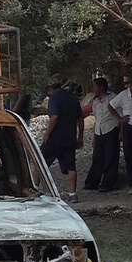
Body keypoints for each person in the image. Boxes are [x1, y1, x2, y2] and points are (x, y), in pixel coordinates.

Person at [42, 74, 84, 203]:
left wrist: (47, 134)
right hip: (70, 138)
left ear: (50, 89)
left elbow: (54, 117)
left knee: (39, 163)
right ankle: (72, 194)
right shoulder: (73, 98)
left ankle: (34, 190)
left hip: (55, 138)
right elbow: (80, 119)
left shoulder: (54, 98)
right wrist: (80, 137)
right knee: (71, 167)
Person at [84, 78, 119, 192]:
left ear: (101, 87)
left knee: (110, 157)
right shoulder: (95, 101)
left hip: (111, 129)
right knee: (97, 158)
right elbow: (97, 118)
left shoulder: (113, 98)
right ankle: (92, 182)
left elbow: (120, 115)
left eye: (95, 87)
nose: (93, 89)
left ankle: (108, 183)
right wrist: (95, 136)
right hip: (99, 131)